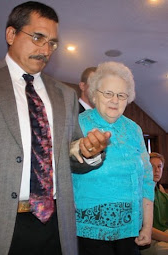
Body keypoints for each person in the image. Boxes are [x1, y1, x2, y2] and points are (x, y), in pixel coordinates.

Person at [0, 2, 111, 255]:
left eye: (52, 43)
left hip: (56, 225)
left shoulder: (64, 94)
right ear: (11, 34)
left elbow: (71, 152)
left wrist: (88, 151)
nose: (46, 50)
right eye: (38, 37)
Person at [72, 61, 155, 255]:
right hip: (89, 234)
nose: (114, 100)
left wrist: (147, 225)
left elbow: (147, 179)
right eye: (108, 93)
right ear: (94, 94)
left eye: (121, 95)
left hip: (131, 231)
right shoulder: (77, 124)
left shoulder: (134, 129)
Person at [141, 152, 168, 255]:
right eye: (152, 166)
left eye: (159, 167)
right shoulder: (140, 196)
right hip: (148, 240)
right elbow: (146, 228)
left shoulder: (163, 196)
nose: (156, 170)